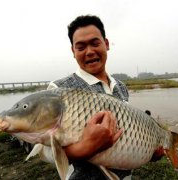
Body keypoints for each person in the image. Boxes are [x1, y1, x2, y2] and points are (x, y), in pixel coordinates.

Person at [47, 15, 131, 179]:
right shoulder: (58, 90)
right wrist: (87, 146)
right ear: (73, 51)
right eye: (81, 47)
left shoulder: (120, 86)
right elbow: (48, 153)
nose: (90, 52)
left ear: (106, 44)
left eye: (95, 43)